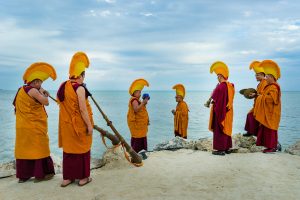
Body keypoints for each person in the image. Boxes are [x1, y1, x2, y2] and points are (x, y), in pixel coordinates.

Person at [13, 62, 56, 183]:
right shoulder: (33, 91)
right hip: (33, 126)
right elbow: (45, 102)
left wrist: (41, 90)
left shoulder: (21, 89)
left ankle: (23, 176)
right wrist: (44, 93)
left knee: (24, 149)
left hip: (22, 125)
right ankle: (41, 174)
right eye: (40, 82)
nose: (41, 84)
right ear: (35, 82)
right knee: (40, 147)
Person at [57, 52, 94, 187]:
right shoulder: (79, 89)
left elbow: (60, 101)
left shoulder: (63, 86)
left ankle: (67, 178)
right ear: (81, 75)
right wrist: (89, 126)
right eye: (84, 75)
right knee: (83, 150)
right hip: (79, 125)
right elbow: (83, 110)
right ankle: (84, 178)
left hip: (66, 126)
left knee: (69, 151)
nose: (84, 79)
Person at [253, 60, 281, 153]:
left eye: (267, 76)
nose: (266, 78)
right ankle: (269, 147)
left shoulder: (274, 87)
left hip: (272, 112)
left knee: (271, 130)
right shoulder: (269, 86)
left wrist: (261, 96)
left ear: (272, 77)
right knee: (266, 129)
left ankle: (272, 147)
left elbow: (273, 99)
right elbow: (264, 96)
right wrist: (259, 96)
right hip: (267, 111)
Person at [208, 61, 235, 156]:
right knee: (226, 128)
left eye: (217, 76)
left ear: (220, 76)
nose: (217, 79)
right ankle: (227, 147)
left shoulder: (221, 87)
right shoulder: (229, 86)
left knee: (220, 129)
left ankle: (221, 149)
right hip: (228, 111)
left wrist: (213, 103)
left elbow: (216, 99)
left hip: (221, 111)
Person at [243, 61, 268, 137]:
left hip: (262, 106)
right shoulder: (260, 83)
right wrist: (252, 94)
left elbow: (264, 94)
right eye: (255, 75)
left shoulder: (265, 82)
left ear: (262, 75)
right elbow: (258, 94)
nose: (256, 77)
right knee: (249, 115)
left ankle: (255, 133)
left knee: (252, 116)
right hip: (257, 105)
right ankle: (250, 131)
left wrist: (255, 94)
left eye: (257, 75)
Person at [127, 79, 150, 153]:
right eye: (139, 92)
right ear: (135, 93)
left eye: (140, 92)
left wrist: (147, 120)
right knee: (137, 140)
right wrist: (143, 103)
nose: (140, 94)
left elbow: (141, 111)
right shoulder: (134, 100)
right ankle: (136, 154)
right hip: (137, 125)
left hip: (141, 125)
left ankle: (142, 153)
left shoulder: (137, 100)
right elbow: (136, 109)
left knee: (141, 138)